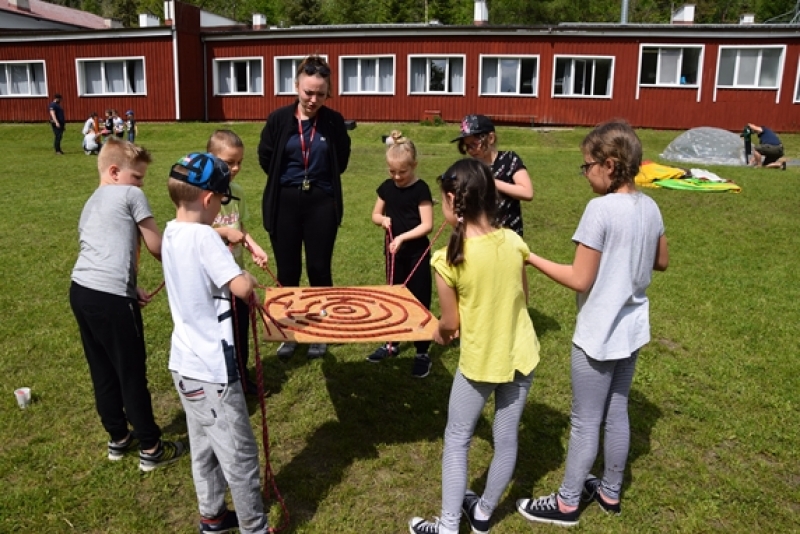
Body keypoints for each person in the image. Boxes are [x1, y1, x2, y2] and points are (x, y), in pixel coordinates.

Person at [516, 120, 669, 527]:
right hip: (631, 332)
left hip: (598, 335)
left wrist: (529, 257)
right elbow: (661, 261)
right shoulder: (651, 206)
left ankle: (567, 503)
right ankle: (609, 492)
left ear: (610, 165)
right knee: (617, 412)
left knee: (585, 421)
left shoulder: (599, 210)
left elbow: (579, 279)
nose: (585, 173)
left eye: (587, 166)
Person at [408, 158, 540, 534]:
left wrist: (436, 334)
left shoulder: (447, 260)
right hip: (521, 355)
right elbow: (523, 297)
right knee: (506, 438)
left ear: (452, 200)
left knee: (457, 439)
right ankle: (482, 512)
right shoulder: (514, 241)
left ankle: (449, 526)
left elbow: (450, 325)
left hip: (481, 362)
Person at [163, 152, 270, 534]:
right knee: (240, 454)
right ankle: (254, 527)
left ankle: (213, 516)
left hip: (184, 364)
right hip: (212, 369)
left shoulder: (171, 231)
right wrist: (249, 278)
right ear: (209, 199)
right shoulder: (205, 237)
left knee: (205, 445)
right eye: (221, 201)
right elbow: (239, 287)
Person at [69, 137, 185, 472]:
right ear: (114, 172)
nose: (140, 184)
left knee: (102, 368)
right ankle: (151, 447)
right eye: (137, 177)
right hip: (111, 299)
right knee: (131, 372)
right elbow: (156, 246)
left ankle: (118, 437)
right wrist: (190, 251)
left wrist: (130, 287)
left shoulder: (91, 201)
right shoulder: (130, 195)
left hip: (82, 291)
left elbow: (102, 249)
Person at [258, 54, 352, 361]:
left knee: (318, 268)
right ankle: (289, 331)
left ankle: (320, 332)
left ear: (328, 92)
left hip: (321, 201)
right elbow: (266, 157)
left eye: (320, 94)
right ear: (296, 86)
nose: (313, 100)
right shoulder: (278, 119)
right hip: (285, 200)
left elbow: (341, 160)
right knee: (288, 270)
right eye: (308, 92)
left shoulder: (333, 121)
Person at [367, 131, 434, 378]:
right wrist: (382, 220)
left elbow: (427, 225)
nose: (396, 177)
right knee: (394, 297)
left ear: (414, 165)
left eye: (402, 172)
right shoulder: (387, 188)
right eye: (392, 171)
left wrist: (403, 237)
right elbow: (375, 214)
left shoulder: (421, 189)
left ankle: (422, 352)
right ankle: (392, 343)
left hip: (416, 253)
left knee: (419, 299)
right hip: (394, 253)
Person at [208, 129, 269, 394]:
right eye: (228, 162)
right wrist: (223, 232)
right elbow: (193, 232)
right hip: (211, 280)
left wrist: (254, 247)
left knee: (240, 326)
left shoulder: (238, 192)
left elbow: (240, 227)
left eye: (239, 162)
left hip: (236, 272)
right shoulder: (200, 195)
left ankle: (242, 378)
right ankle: (220, 381)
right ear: (211, 160)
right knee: (219, 331)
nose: (235, 168)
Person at [452, 114, 533, 237]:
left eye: (474, 144)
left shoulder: (509, 159)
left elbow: (527, 193)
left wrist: (491, 182)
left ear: (490, 138)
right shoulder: (471, 168)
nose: (470, 150)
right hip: (479, 236)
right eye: (467, 146)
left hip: (509, 236)